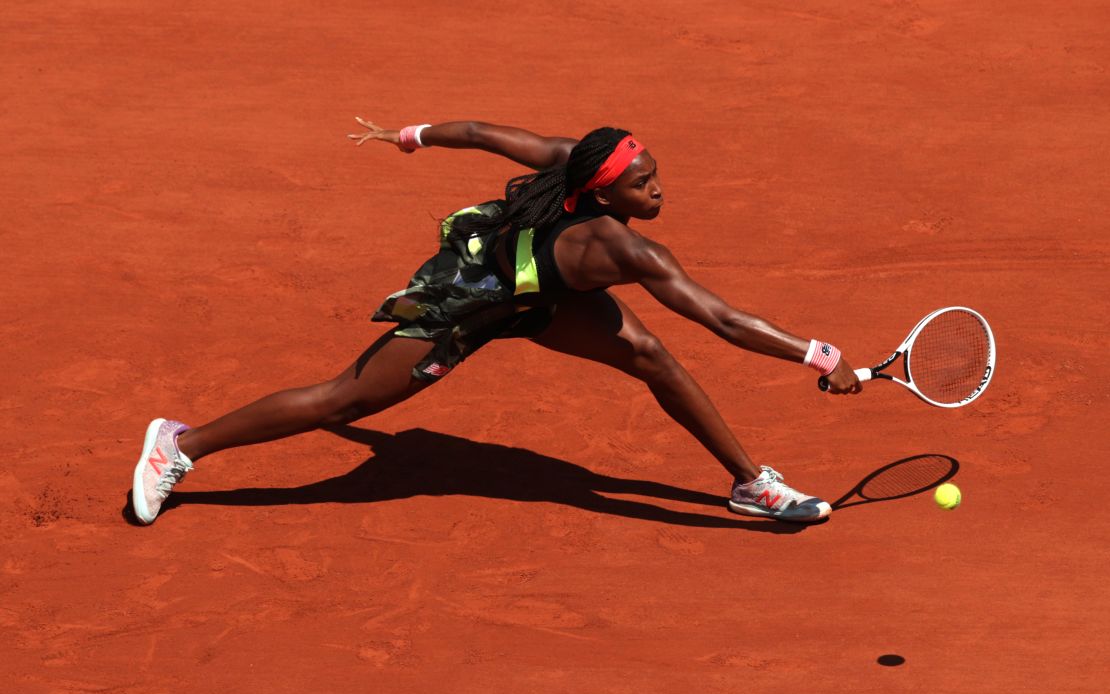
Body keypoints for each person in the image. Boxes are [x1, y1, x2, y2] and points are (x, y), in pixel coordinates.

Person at [130, 118, 862, 527]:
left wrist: (414, 136)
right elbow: (724, 320)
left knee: (650, 357)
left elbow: (479, 132)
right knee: (343, 398)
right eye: (642, 185)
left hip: (542, 297)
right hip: (473, 303)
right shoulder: (626, 248)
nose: (658, 190)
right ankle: (180, 444)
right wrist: (822, 357)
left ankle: (748, 484)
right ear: (604, 193)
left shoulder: (569, 163)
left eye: (656, 173)